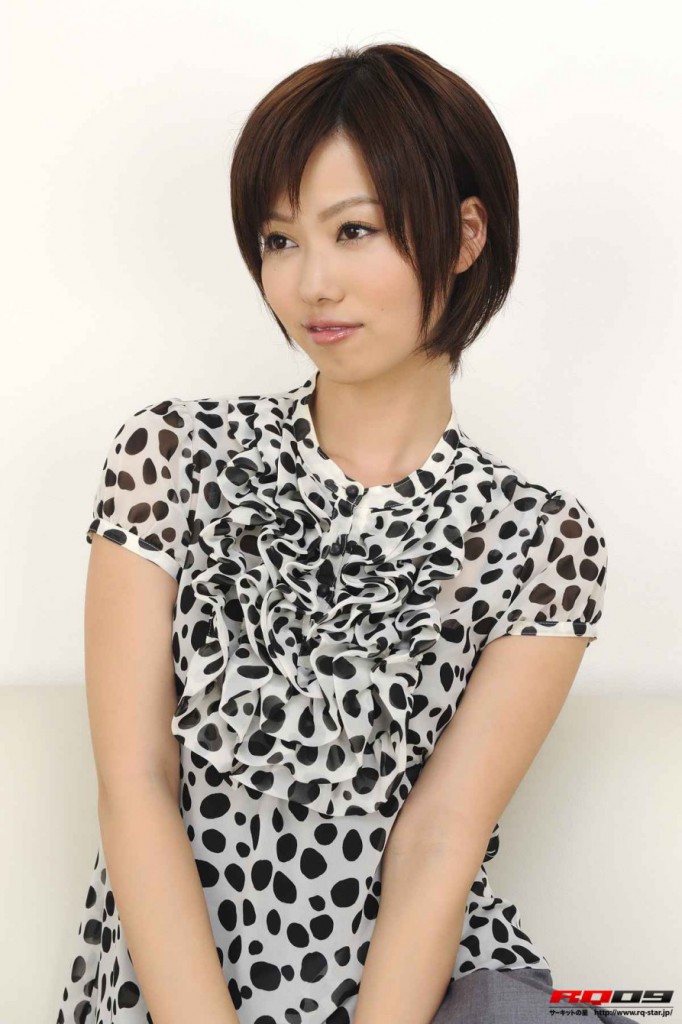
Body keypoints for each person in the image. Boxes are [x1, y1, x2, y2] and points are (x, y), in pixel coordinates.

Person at [56, 42, 632, 1024]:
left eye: (353, 230)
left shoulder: (541, 540)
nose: (311, 283)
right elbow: (137, 783)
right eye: (279, 240)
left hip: (429, 997)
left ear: (464, 236)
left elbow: (438, 841)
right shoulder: (172, 456)